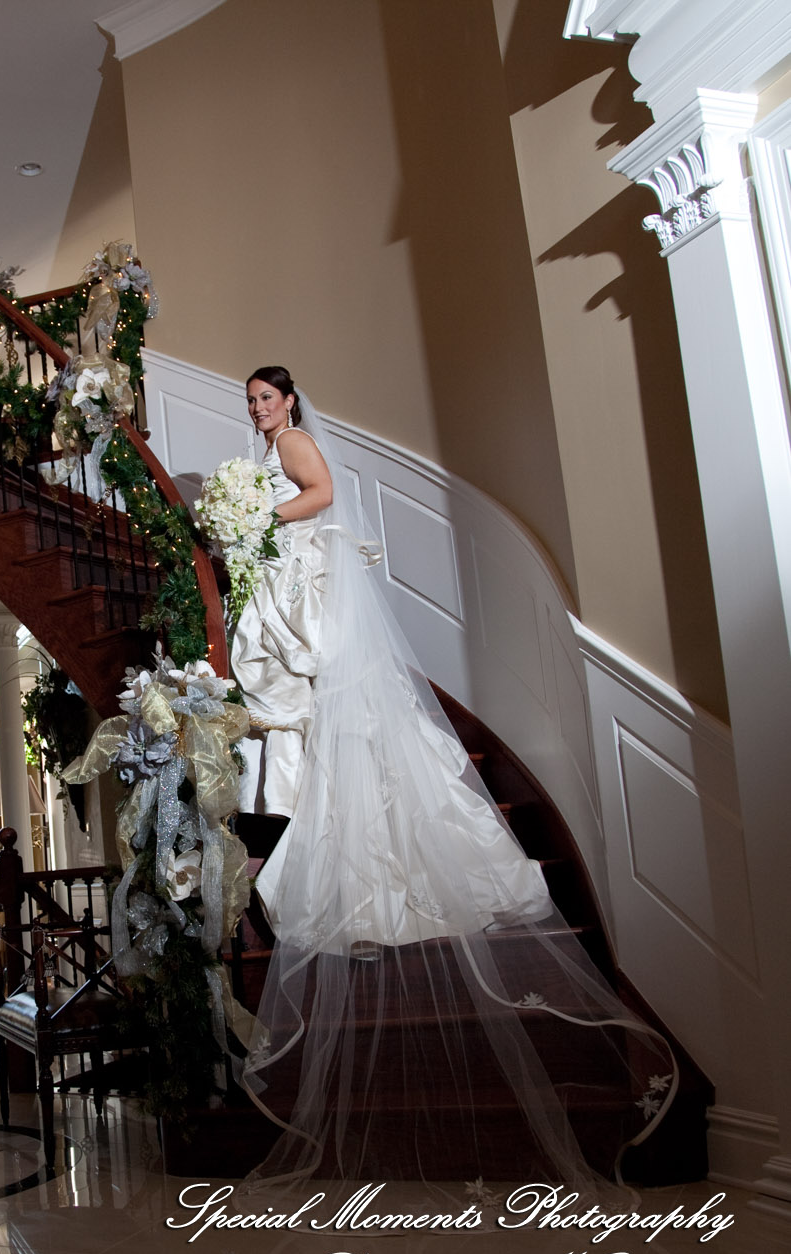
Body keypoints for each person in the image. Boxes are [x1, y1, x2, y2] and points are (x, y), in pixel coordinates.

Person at [226, 365, 675, 1190]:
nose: (258, 410)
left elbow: (319, 493)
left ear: (290, 401)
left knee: (333, 723)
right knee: (330, 732)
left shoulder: (292, 443)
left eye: (266, 397)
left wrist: (257, 523)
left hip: (303, 573)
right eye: (250, 401)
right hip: (300, 578)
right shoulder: (269, 445)